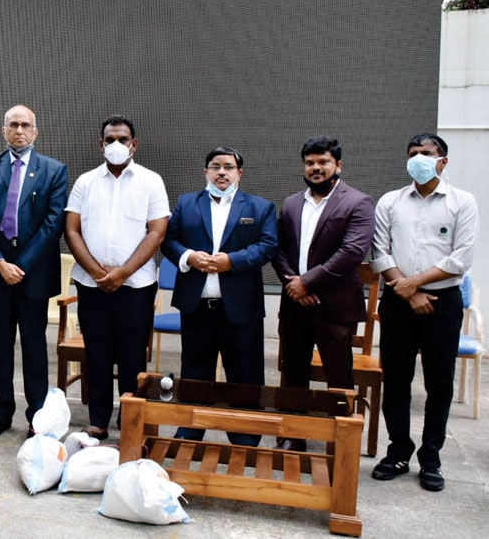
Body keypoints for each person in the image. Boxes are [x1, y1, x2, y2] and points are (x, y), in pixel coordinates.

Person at [370, 133, 479, 492]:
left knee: (439, 383)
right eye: (413, 153)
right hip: (399, 303)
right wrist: (405, 288)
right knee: (397, 380)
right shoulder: (391, 201)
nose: (419, 158)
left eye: (426, 153)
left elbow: (459, 259)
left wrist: (413, 285)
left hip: (441, 303)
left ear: (442, 160)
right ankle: (398, 451)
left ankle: (431, 458)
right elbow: (380, 251)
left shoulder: (462, 202)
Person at [161, 146, 277, 447]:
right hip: (197, 307)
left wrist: (232, 261)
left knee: (244, 372)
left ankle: (245, 434)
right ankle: (190, 429)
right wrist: (188, 256)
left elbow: (267, 246)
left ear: (239, 172)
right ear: (206, 172)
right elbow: (169, 241)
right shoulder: (187, 204)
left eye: (228, 166)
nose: (221, 172)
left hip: (240, 308)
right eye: (215, 166)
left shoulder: (259, 207)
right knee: (195, 370)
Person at [64, 116, 170, 440]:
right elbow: (71, 228)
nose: (116, 145)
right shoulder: (85, 182)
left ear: (134, 144)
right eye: (110, 139)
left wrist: (122, 273)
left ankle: (129, 416)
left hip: (136, 285)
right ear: (101, 144)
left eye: (123, 139)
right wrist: (98, 273)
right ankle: (98, 419)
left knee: (132, 355)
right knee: (96, 352)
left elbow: (157, 232)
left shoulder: (152, 181)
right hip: (91, 283)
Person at [271, 137, 375, 452]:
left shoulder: (358, 202)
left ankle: (340, 439)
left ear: (338, 165)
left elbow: (352, 251)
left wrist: (308, 283)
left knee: (339, 376)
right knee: (293, 373)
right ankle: (293, 433)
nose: (316, 168)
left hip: (334, 307)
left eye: (323, 162)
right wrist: (294, 284)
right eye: (310, 163)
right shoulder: (291, 204)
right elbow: (278, 249)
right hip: (294, 305)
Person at [0, 104, 69, 439]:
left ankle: (36, 416)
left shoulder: (54, 170)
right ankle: (2, 412)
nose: (19, 130)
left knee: (33, 345)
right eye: (13, 125)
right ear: (4, 131)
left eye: (25, 125)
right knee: (0, 343)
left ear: (35, 131)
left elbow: (53, 222)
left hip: (33, 274)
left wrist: (20, 266)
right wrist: (0, 262)